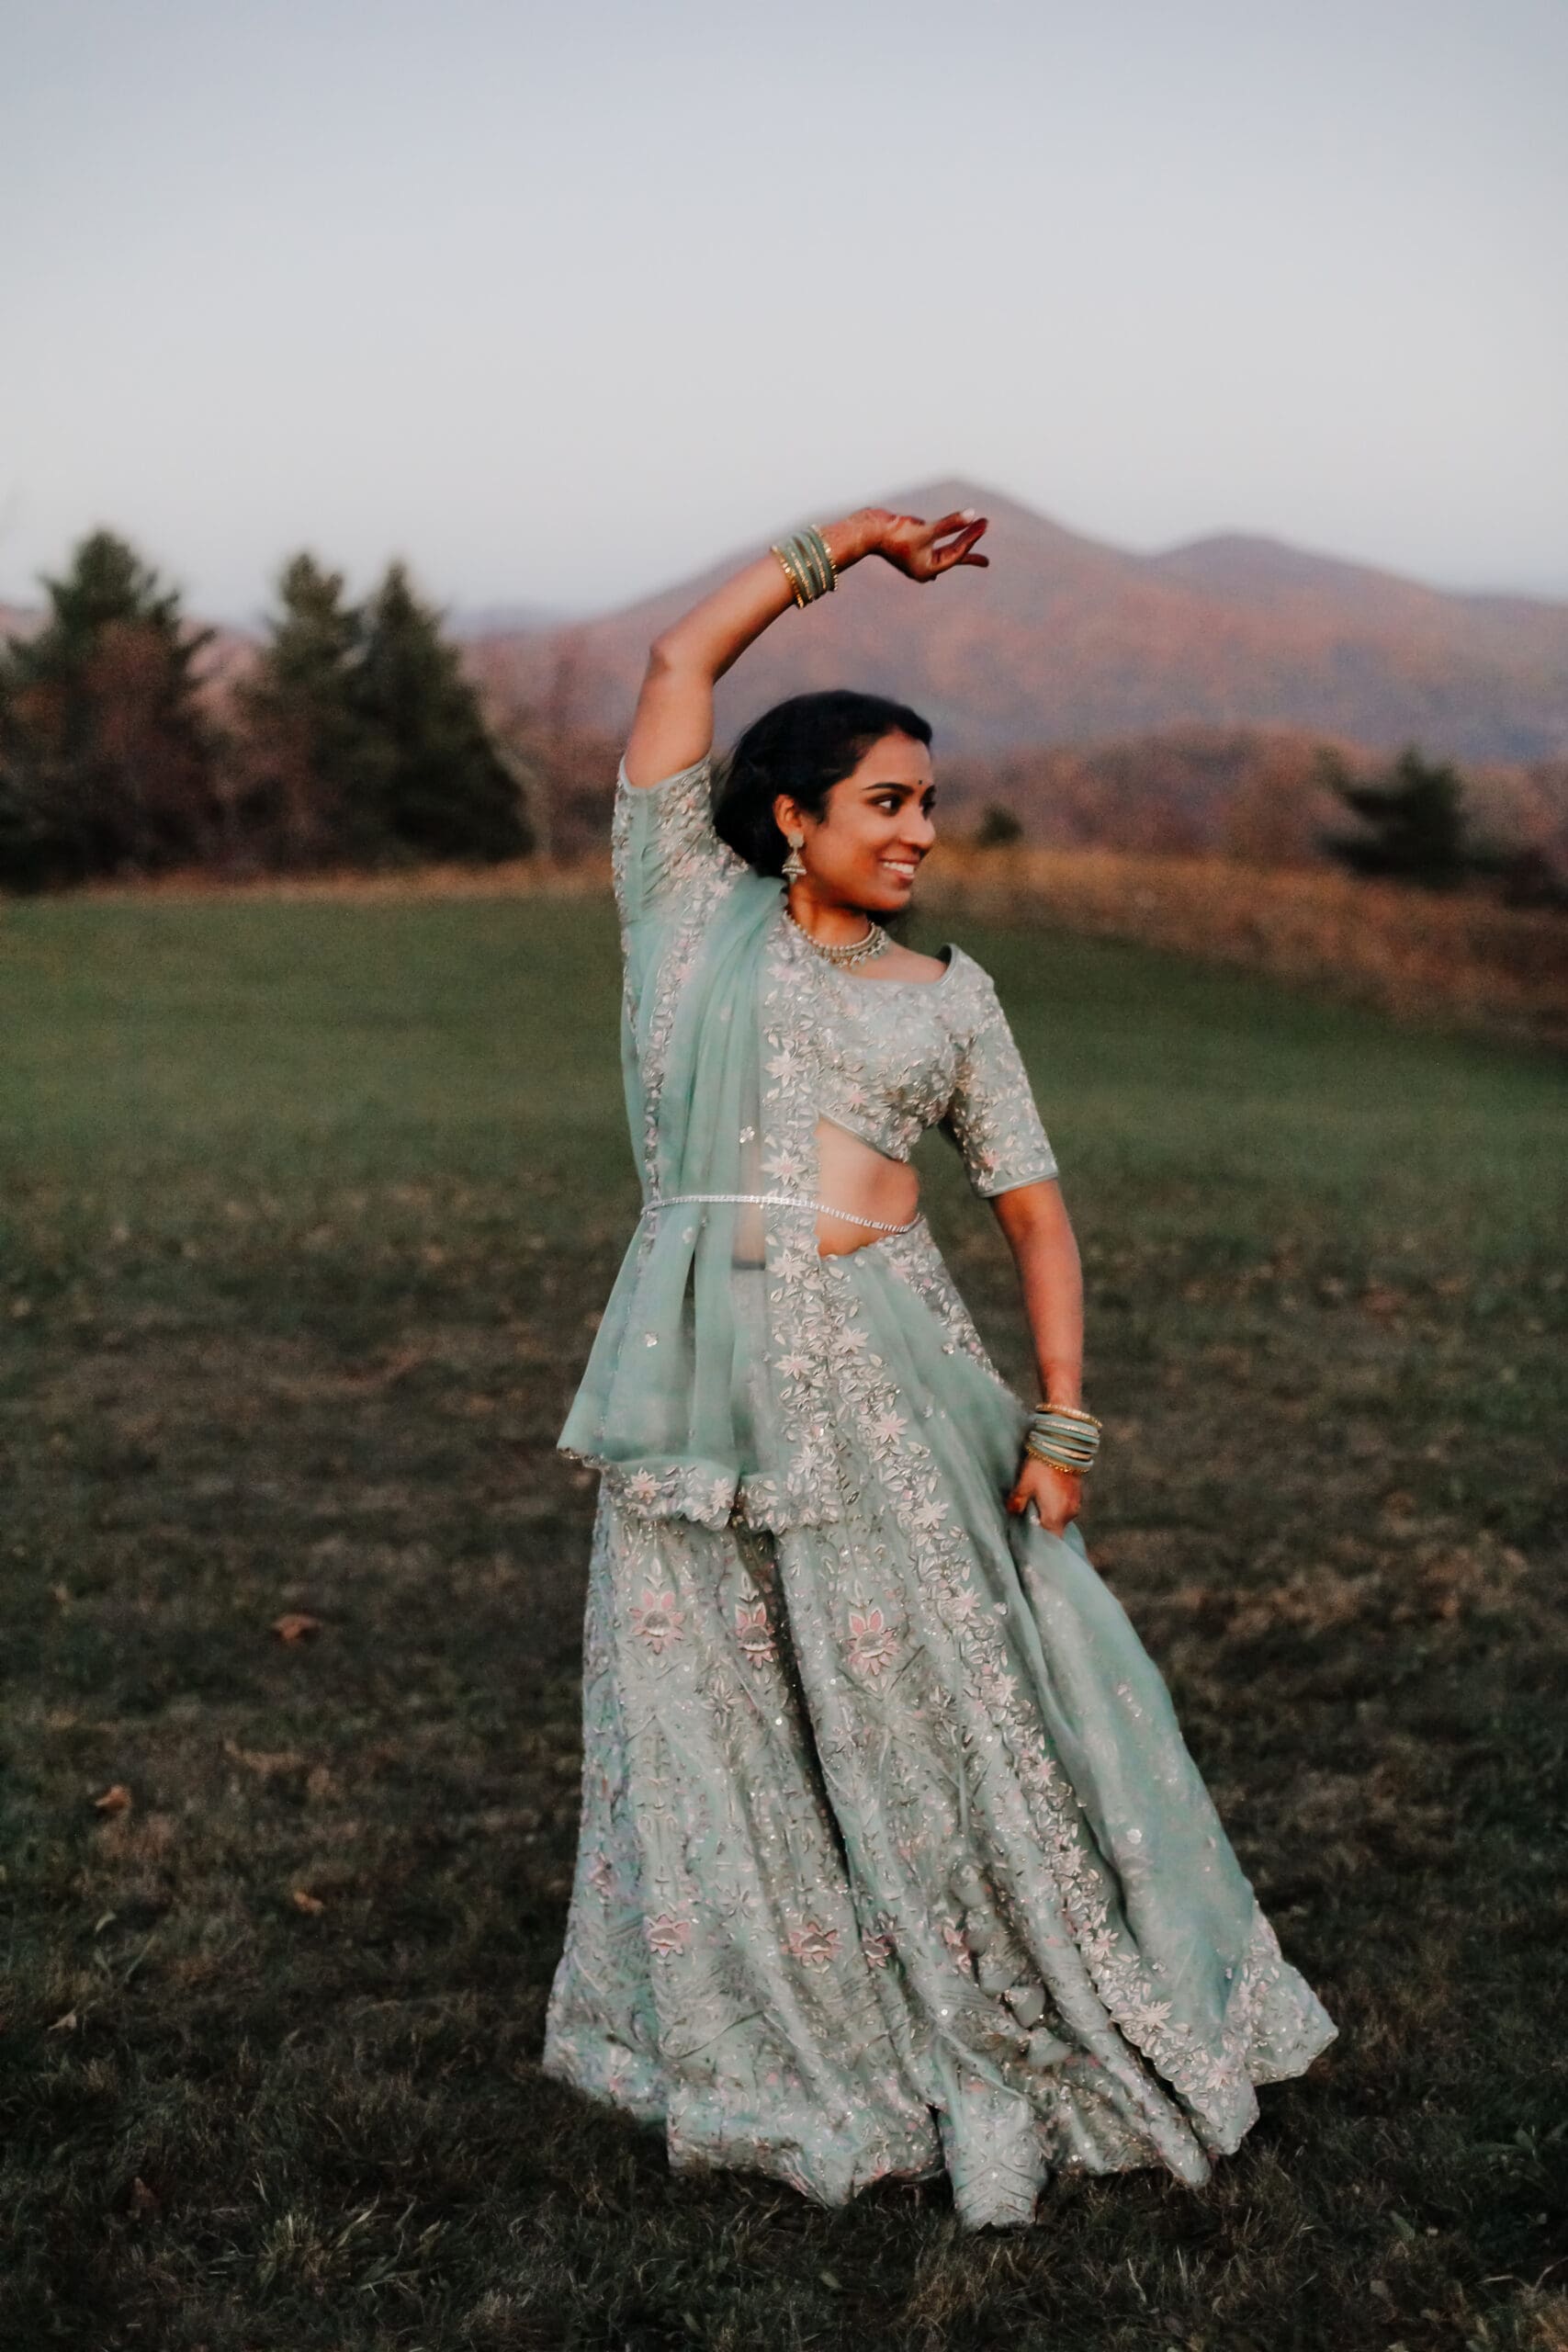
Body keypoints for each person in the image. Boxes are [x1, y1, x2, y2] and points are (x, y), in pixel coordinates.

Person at [540, 503, 1337, 2232]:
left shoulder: (951, 996)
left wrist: (1062, 1419)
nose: (920, 833)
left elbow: (1038, 1217)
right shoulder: (683, 916)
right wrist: (849, 548)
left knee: (937, 1702)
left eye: (927, 803)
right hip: (693, 1379)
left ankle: (994, 1990)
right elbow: (683, 660)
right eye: (886, 803)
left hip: (888, 1371)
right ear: (786, 819)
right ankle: (784, 2016)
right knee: (713, 1704)